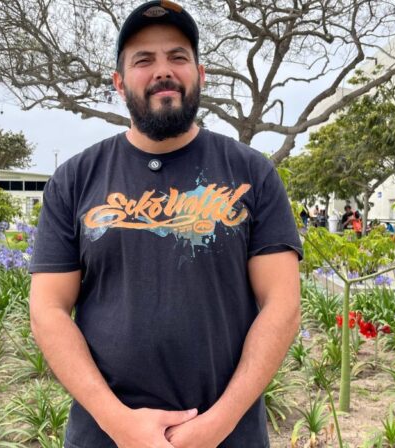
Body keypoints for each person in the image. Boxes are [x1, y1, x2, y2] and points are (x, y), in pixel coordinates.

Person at [28, 2, 302, 447]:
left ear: (200, 73)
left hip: (228, 435)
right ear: (119, 82)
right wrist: (119, 424)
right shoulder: (75, 179)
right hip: (104, 435)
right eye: (143, 60)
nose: (163, 71)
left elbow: (283, 306)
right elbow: (48, 311)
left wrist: (218, 425)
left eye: (178, 57)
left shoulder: (252, 173)